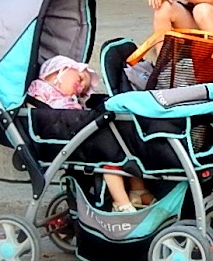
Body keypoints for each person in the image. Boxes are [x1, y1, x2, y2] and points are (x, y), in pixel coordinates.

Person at [27, 55, 153, 213]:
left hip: (80, 134)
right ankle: (121, 203)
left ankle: (138, 191)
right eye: (80, 79)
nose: (80, 88)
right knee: (110, 158)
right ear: (59, 70)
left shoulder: (71, 100)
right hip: (65, 138)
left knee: (128, 152)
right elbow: (35, 112)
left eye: (83, 89)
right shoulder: (42, 88)